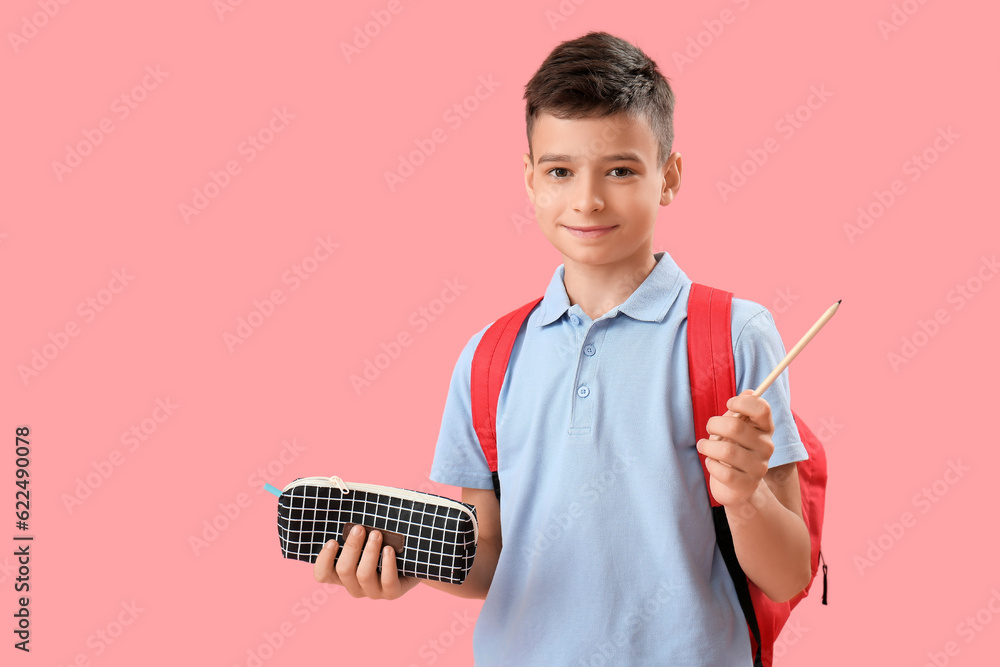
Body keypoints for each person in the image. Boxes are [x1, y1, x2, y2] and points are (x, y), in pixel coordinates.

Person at [314, 30, 811, 665]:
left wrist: (744, 497)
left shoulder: (737, 333)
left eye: (622, 170)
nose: (588, 199)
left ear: (670, 175)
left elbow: (789, 572)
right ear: (529, 181)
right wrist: (411, 564)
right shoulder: (489, 356)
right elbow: (493, 559)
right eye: (559, 171)